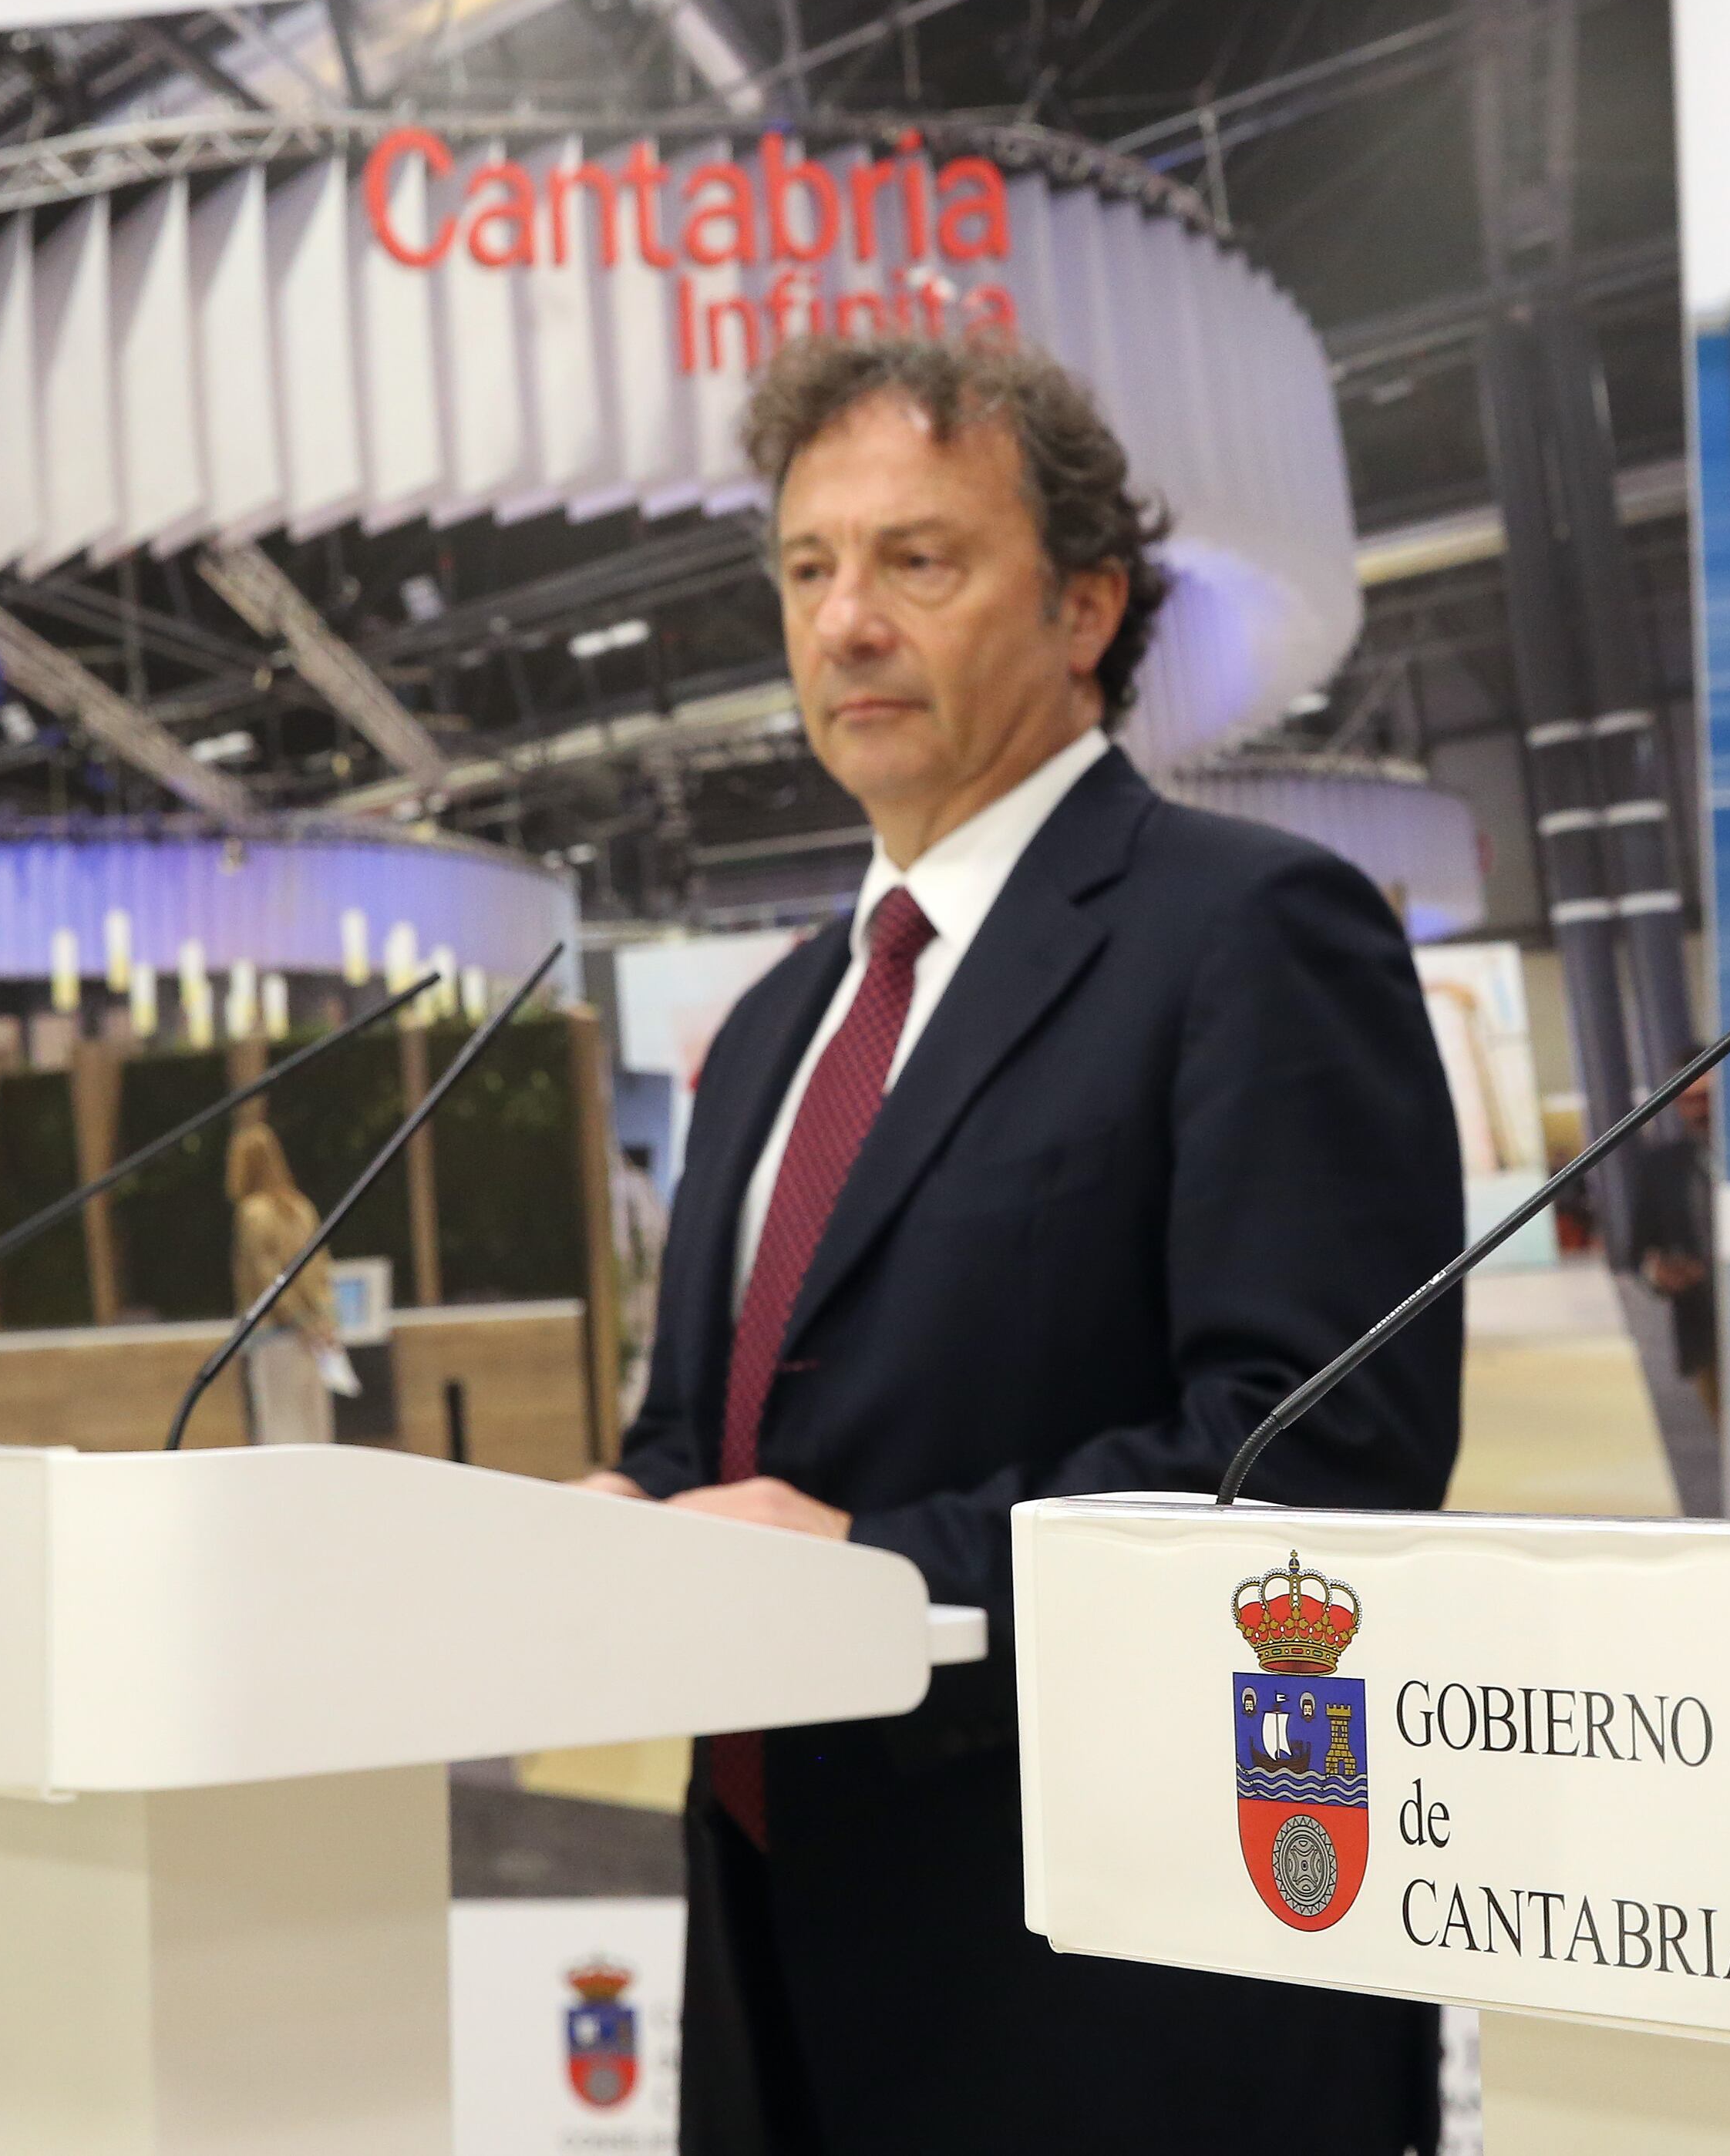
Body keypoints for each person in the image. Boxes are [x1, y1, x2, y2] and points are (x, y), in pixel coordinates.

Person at [584, 331, 1462, 2156]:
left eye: (919, 560)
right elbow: (708, 1443)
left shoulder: (1248, 934)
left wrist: (886, 1574)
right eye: (808, 569)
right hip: (774, 1970)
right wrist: (619, 1533)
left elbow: (1323, 1456)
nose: (845, 624)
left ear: (1084, 607)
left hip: (1112, 1996)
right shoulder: (769, 1028)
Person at [225, 1121, 344, 1444]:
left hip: (276, 1337)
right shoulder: (302, 1209)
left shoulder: (252, 1214)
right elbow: (321, 1271)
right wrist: (325, 1321)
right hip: (316, 1339)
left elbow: (267, 1278)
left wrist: (299, 1320)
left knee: (280, 1434)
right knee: (316, 1432)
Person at [1626, 1077, 1722, 1423]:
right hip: (1706, 1334)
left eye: (1707, 1098)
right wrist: (1660, 1273)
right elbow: (1638, 1251)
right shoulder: (1662, 1167)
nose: (1699, 1110)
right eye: (1688, 1101)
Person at [611, 1142, 668, 1425]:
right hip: (632, 1295)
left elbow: (650, 1243)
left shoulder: (633, 1187)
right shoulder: (635, 1186)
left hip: (638, 1295)